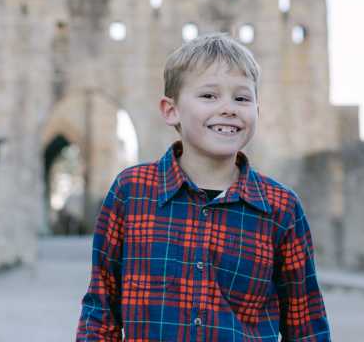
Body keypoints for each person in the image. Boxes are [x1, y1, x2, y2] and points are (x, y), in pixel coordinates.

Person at [75, 32, 331, 341]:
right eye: (209, 96)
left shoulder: (281, 208)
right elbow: (100, 308)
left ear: (257, 112)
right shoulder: (131, 192)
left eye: (242, 98)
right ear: (171, 110)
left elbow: (306, 324)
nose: (228, 108)